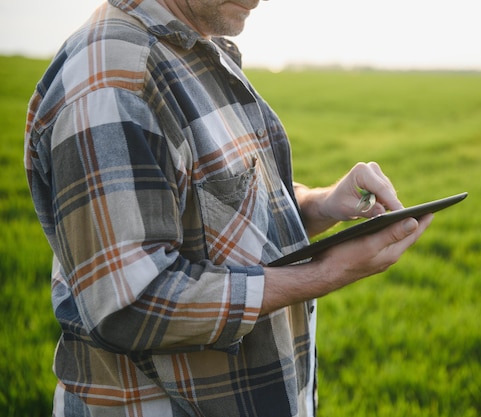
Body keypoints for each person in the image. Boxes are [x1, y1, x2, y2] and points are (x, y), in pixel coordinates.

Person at [24, 0, 433, 416]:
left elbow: (219, 206)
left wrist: (320, 204)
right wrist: (327, 272)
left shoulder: (193, 44)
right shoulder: (112, 83)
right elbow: (132, 305)